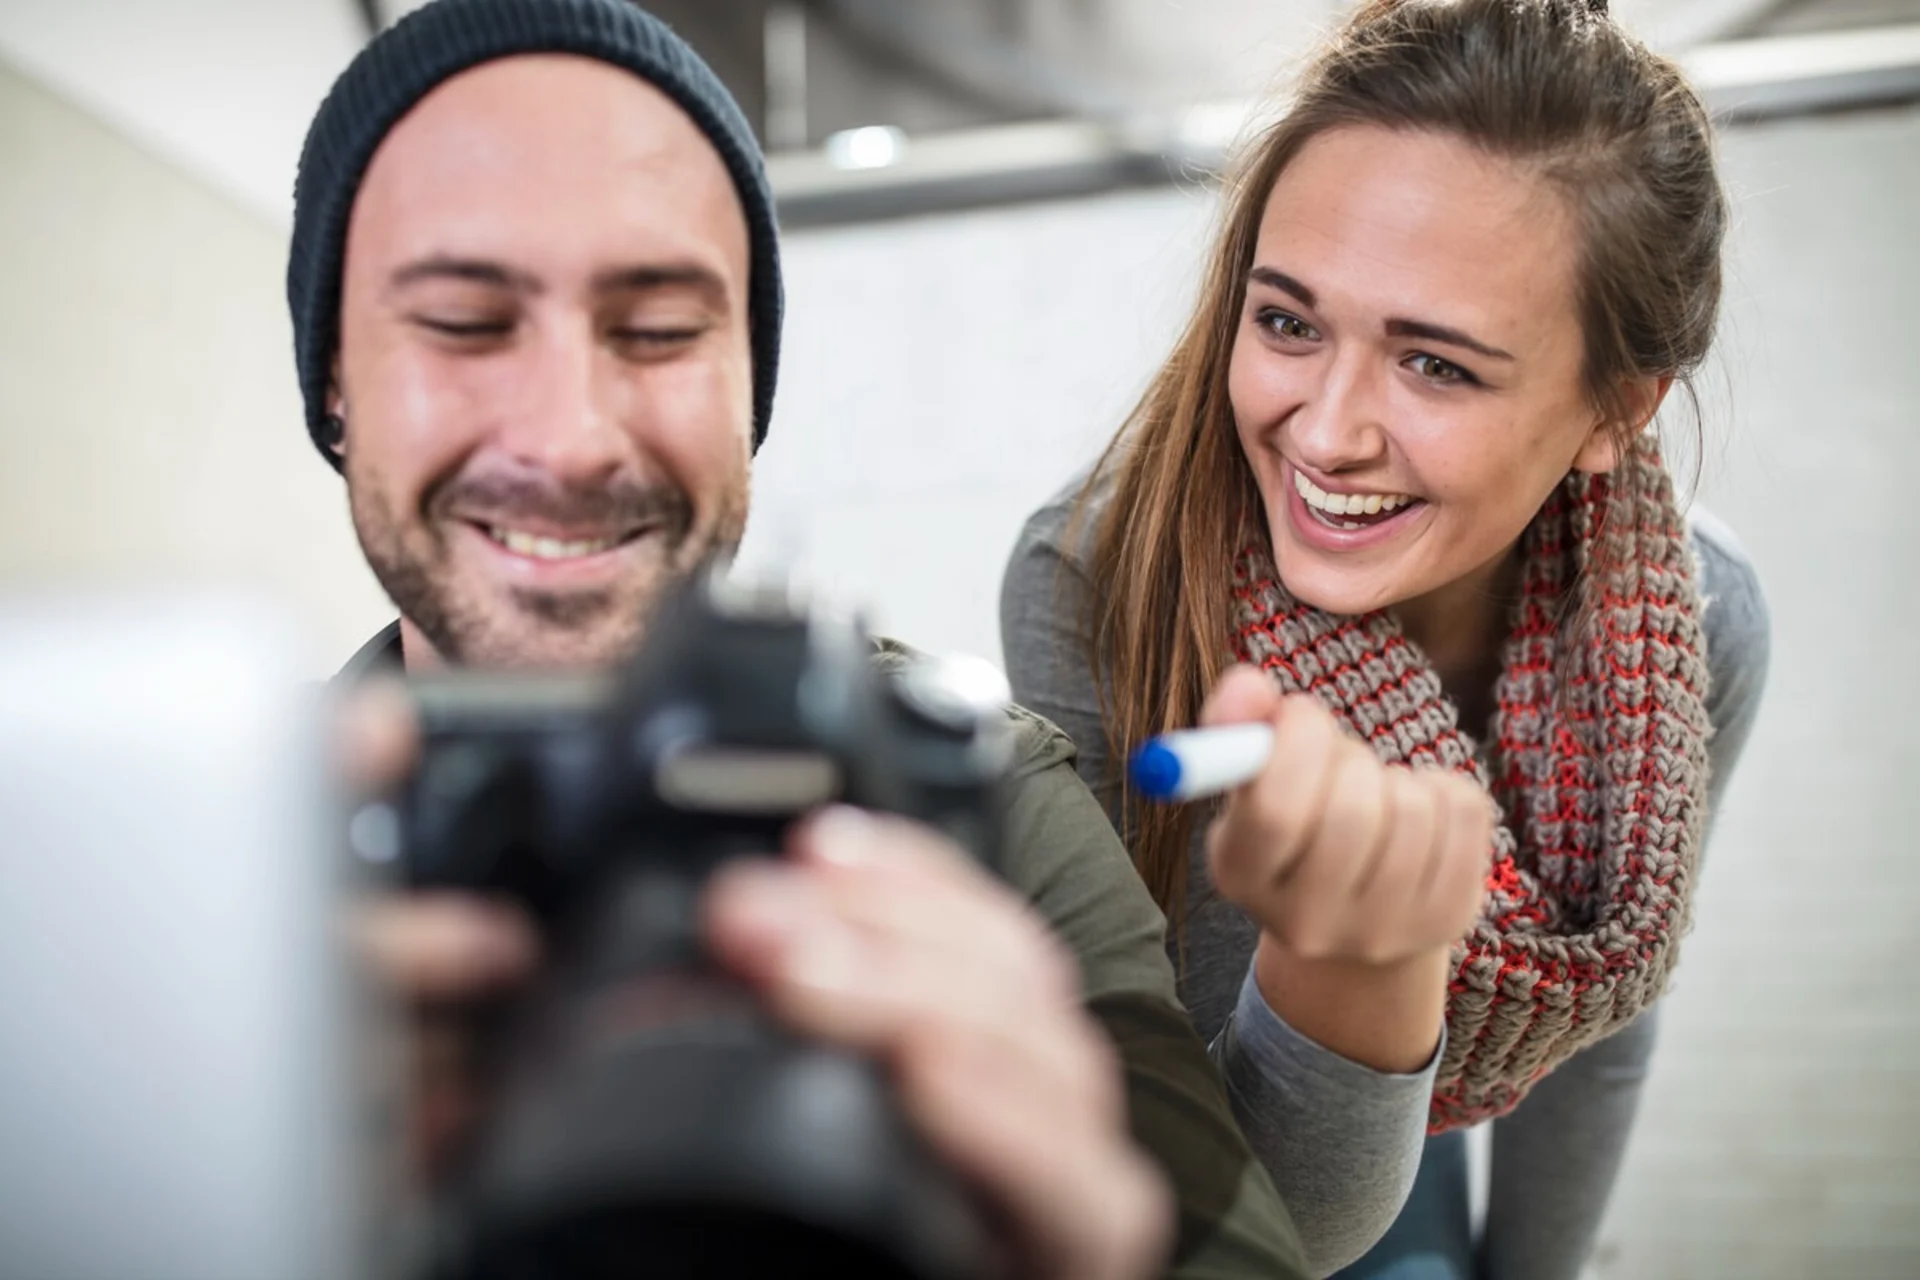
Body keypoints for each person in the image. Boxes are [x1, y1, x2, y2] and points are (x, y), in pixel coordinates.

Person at [293, 1, 1309, 1276]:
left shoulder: (980, 795)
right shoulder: (215, 860)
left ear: (747, 388)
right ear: (336, 376)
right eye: (461, 322)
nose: (569, 437)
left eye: (658, 329)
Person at [999, 1, 1771, 1277]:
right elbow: (1211, 1199)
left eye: (1438, 366)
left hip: (1445, 1097)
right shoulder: (1096, 577)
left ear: (1617, 408)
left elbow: (1604, 1022)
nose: (1326, 432)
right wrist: (1355, 960)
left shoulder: (1703, 617)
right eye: (1290, 323)